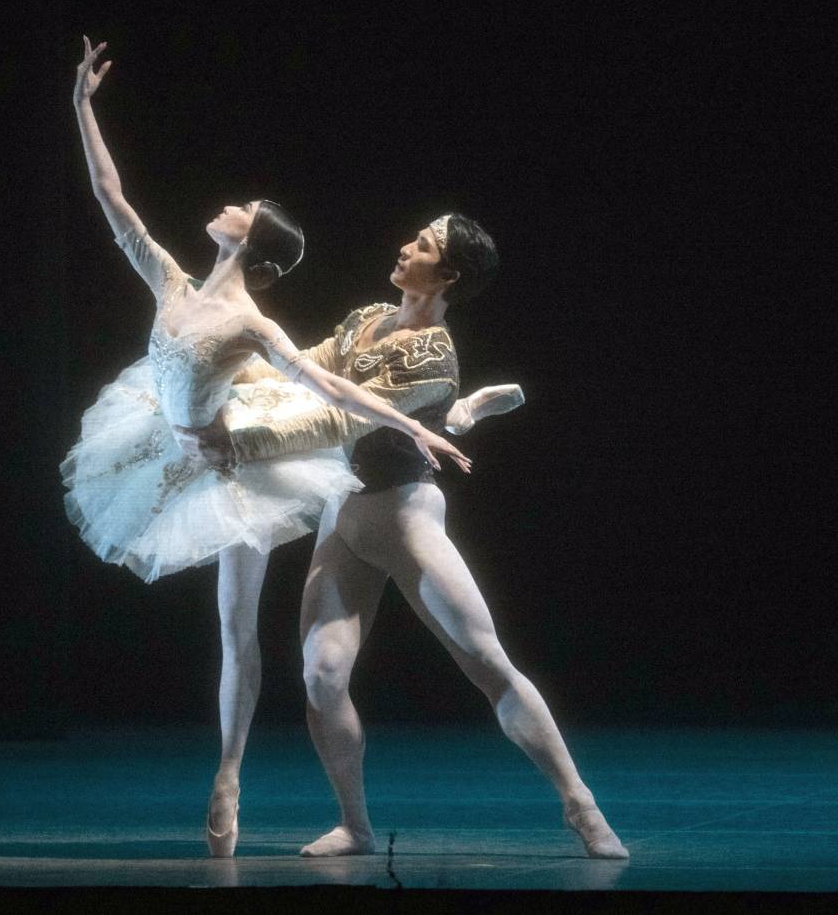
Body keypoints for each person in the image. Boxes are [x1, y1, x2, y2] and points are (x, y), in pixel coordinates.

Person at [62, 37, 472, 857]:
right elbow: (113, 200)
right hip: (161, 441)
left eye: (242, 208)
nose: (229, 205)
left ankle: (229, 771)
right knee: (230, 631)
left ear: (252, 241)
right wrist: (82, 105)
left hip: (235, 467)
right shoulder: (173, 281)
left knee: (236, 629)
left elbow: (334, 391)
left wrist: (417, 422)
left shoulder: (253, 321)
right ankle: (228, 770)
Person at [193, 213, 631, 860]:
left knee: (487, 662)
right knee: (321, 672)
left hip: (403, 518)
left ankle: (581, 805)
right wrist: (220, 374)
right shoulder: (366, 316)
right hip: (345, 516)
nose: (404, 246)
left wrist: (237, 438)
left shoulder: (434, 356)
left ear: (447, 274)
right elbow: (303, 373)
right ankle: (356, 825)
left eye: (423, 245)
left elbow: (336, 418)